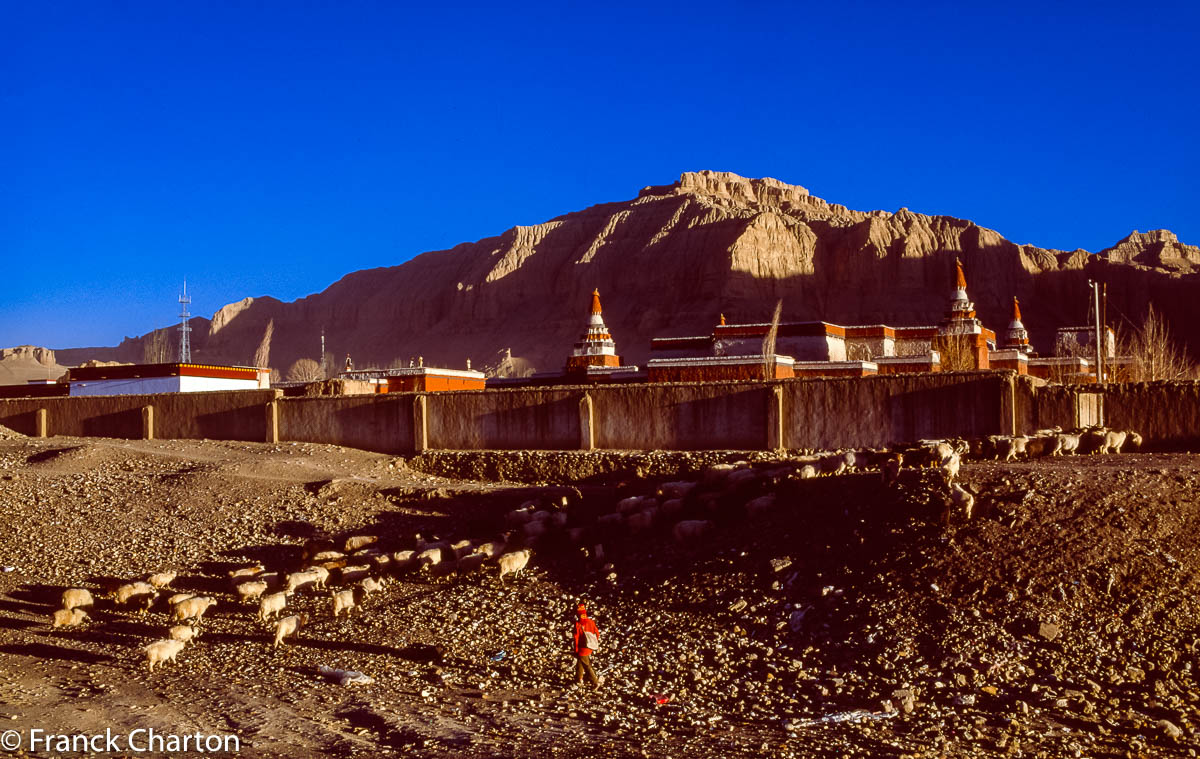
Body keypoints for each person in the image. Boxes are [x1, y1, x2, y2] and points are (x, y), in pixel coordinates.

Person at [572, 602, 602, 688]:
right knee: (580, 662)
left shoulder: (578, 624)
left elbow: (576, 639)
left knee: (586, 665)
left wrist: (576, 650)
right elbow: (597, 633)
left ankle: (595, 682)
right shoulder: (591, 622)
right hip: (590, 646)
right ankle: (578, 679)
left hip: (582, 648)